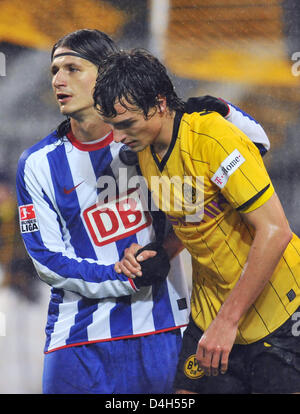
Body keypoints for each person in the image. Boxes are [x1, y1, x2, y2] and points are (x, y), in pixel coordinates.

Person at [16, 30, 269, 395]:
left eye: (72, 68)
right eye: (54, 70)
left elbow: (256, 145)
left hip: (164, 329)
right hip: (79, 341)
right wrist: (127, 276)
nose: (58, 80)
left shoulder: (155, 136)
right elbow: (47, 261)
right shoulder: (37, 164)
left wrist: (220, 110)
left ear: (105, 73)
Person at [93, 48, 300, 394]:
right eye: (113, 126)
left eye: (126, 124)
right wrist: (156, 253)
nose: (118, 138)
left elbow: (276, 231)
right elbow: (194, 217)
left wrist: (227, 322)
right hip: (211, 313)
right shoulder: (144, 149)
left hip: (280, 312)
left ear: (159, 104)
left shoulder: (213, 138)